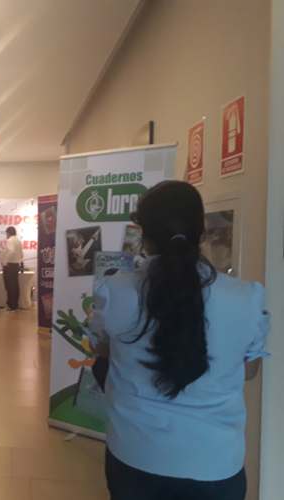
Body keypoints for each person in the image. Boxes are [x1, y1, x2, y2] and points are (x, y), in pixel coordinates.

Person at [89, 181, 269, 500]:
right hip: (215, 463)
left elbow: (101, 349)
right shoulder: (245, 298)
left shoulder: (116, 292)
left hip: (136, 454)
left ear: (143, 236)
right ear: (202, 232)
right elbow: (250, 370)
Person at [1, 226, 24, 311]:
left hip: (9, 265)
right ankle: (15, 305)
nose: (6, 235)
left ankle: (11, 305)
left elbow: (11, 251)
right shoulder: (18, 240)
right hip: (15, 265)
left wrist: (5, 262)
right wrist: (18, 260)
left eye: (6, 233)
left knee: (9, 286)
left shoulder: (10, 240)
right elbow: (21, 254)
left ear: (8, 233)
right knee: (15, 285)